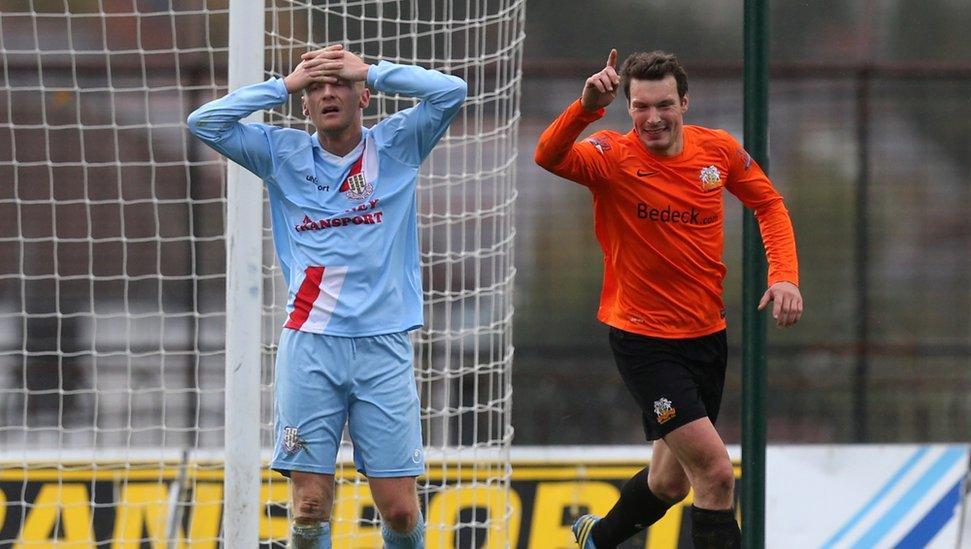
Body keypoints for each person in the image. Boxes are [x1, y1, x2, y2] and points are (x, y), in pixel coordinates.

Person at [188, 44, 466, 549]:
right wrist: (283, 84)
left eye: (340, 83)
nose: (329, 93)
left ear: (363, 97)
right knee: (310, 506)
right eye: (317, 87)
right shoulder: (282, 153)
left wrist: (375, 72)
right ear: (304, 104)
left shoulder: (398, 145)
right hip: (311, 346)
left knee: (401, 511)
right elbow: (205, 122)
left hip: (383, 347)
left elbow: (452, 92)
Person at [535, 49, 802, 549]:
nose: (652, 118)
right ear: (628, 107)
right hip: (644, 342)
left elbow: (769, 204)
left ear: (685, 102)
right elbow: (547, 155)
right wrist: (586, 106)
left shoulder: (717, 151)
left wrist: (784, 275)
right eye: (640, 106)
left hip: (707, 336)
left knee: (669, 483)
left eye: (663, 105)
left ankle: (598, 539)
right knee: (717, 474)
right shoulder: (610, 156)